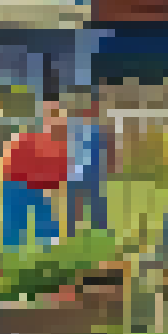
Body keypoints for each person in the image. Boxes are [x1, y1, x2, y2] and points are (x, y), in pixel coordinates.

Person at [0, 100, 68, 248]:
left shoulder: (59, 145)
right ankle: (13, 247)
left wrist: (51, 186)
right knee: (15, 218)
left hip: (36, 186)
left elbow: (59, 171)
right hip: (16, 182)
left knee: (43, 215)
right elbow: (10, 156)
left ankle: (49, 244)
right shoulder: (31, 138)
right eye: (53, 118)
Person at [66, 93, 115, 237]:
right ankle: (71, 231)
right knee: (74, 203)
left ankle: (100, 229)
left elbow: (108, 150)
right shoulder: (73, 127)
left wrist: (109, 166)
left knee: (96, 201)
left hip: (94, 172)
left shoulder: (101, 129)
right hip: (75, 171)